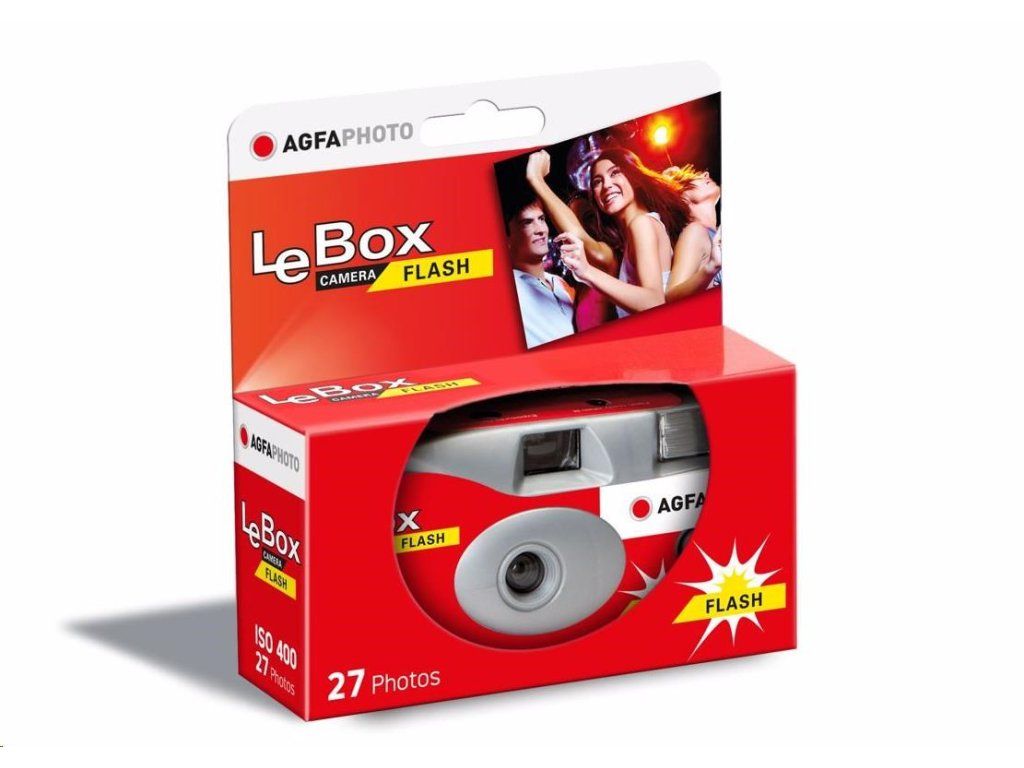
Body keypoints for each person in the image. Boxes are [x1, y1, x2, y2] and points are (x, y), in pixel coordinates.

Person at [532, 148, 686, 317]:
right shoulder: (637, 231)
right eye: (597, 182)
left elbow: (654, 302)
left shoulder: (641, 223)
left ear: (634, 178)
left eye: (615, 173)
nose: (606, 185)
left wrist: (586, 271)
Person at [506, 198, 586, 348]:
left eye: (542, 219)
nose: (541, 230)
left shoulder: (560, 283)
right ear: (507, 239)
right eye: (527, 222)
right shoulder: (506, 288)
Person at [664, 165, 722, 301]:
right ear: (683, 198)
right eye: (692, 178)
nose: (706, 174)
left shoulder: (715, 234)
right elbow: (671, 296)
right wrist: (711, 266)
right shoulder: (695, 232)